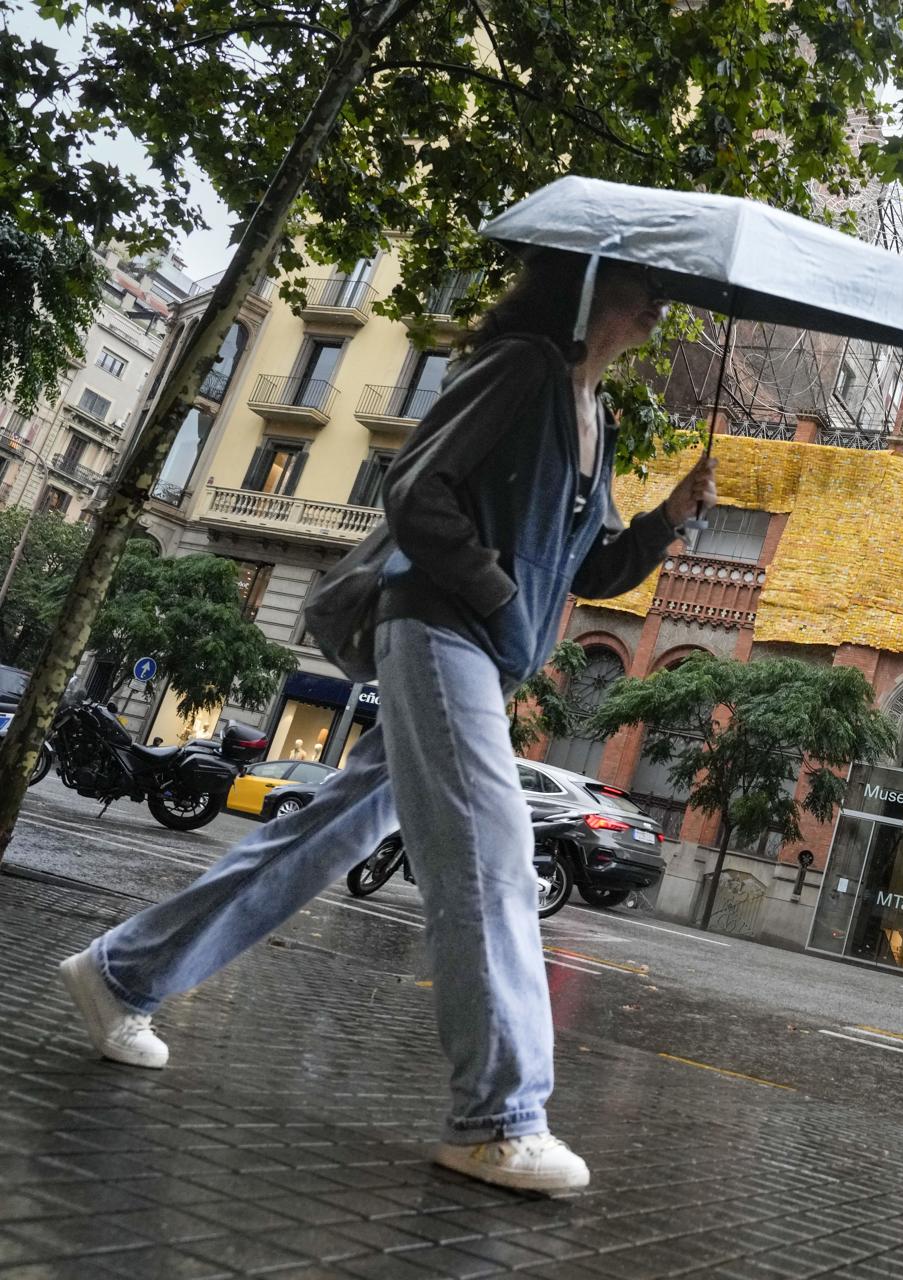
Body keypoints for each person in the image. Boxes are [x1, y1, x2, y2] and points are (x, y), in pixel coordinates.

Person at [57, 248, 716, 1194]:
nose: (663, 299)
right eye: (646, 282)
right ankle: (500, 1117)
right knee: (490, 859)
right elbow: (416, 491)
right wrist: (494, 596)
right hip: (441, 630)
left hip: (479, 652)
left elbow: (593, 570)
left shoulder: (594, 415)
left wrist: (669, 520)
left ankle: (122, 973)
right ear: (584, 285)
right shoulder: (521, 367)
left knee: (323, 835)